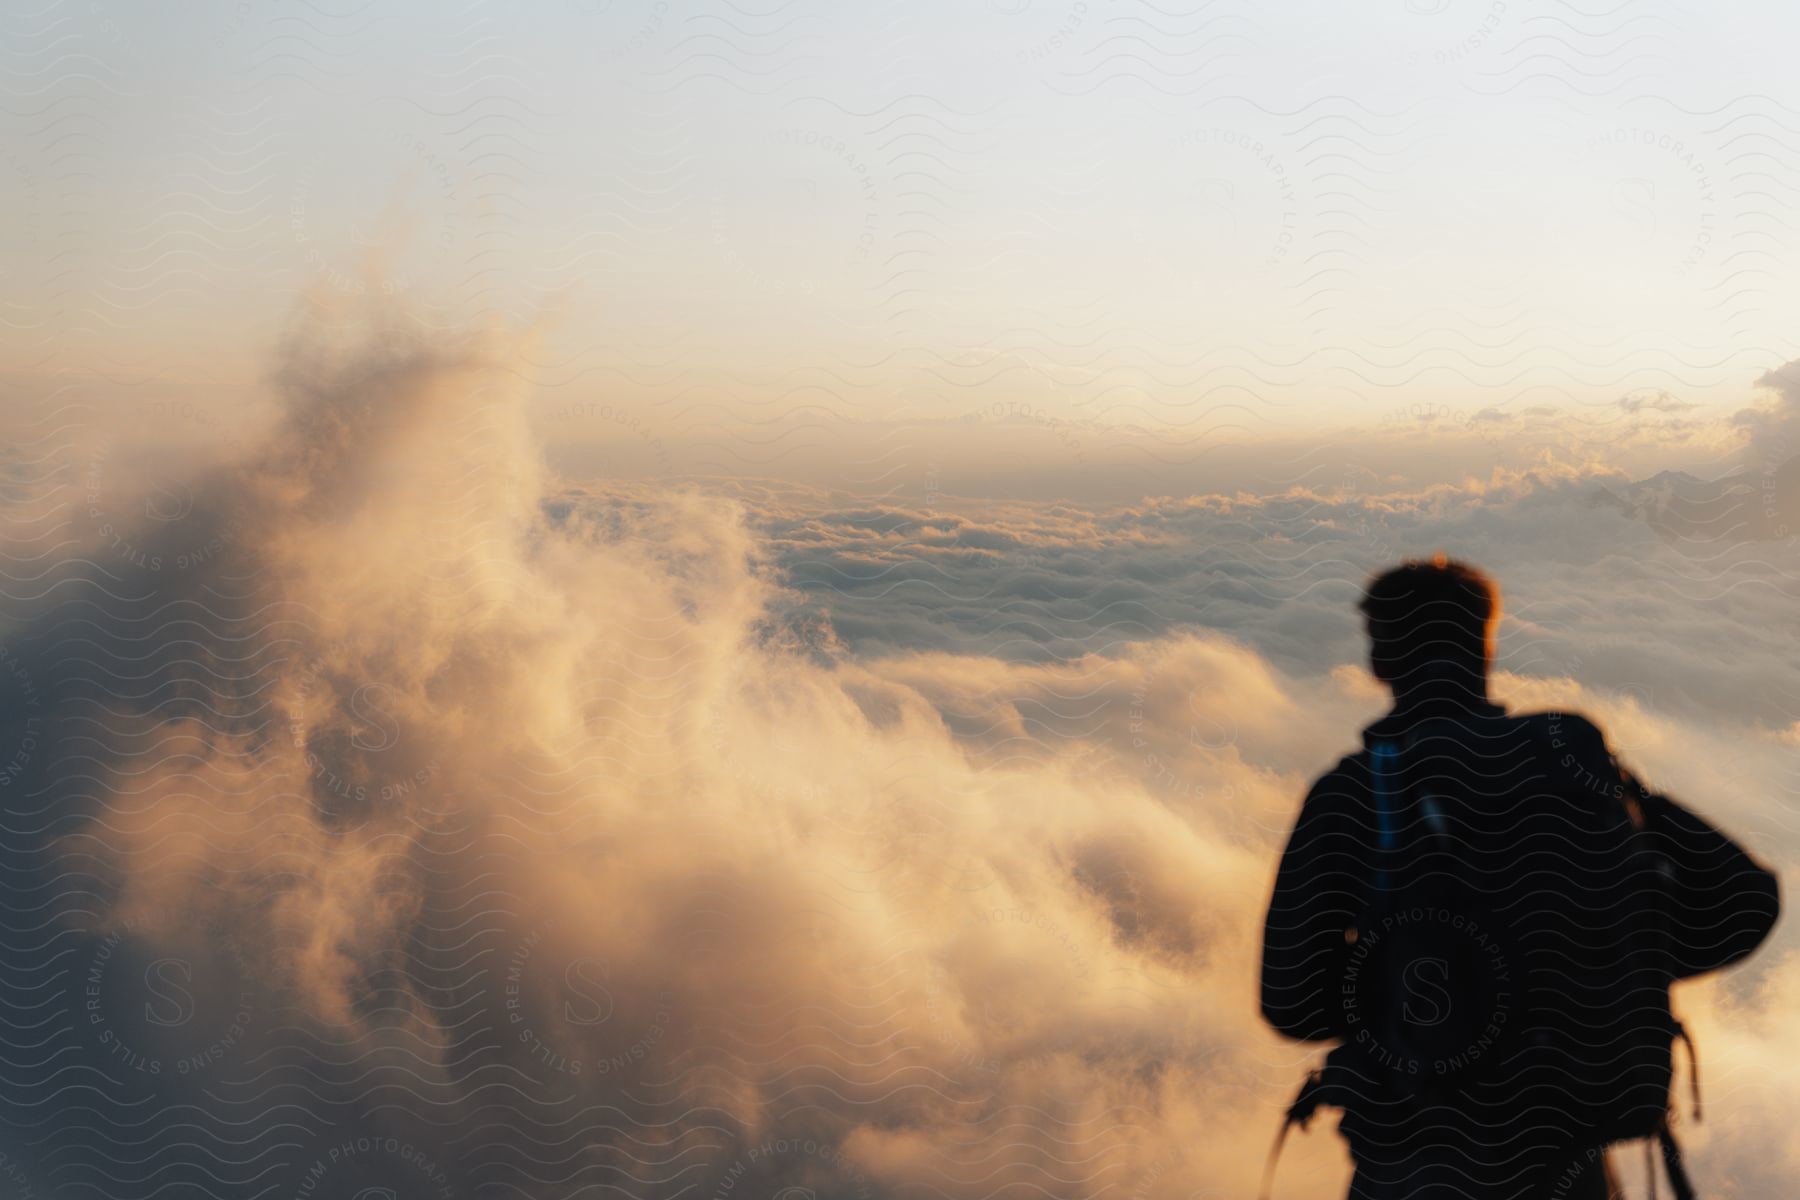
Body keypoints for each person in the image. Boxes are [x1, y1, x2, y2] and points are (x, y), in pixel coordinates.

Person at [1260, 556, 1780, 1199]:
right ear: (1485, 649)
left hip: (1419, 1162)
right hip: (1569, 1161)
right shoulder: (1575, 765)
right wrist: (1605, 966)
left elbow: (1290, 1003)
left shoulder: (1353, 796)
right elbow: (1748, 901)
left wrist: (1407, 992)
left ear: (1380, 663)